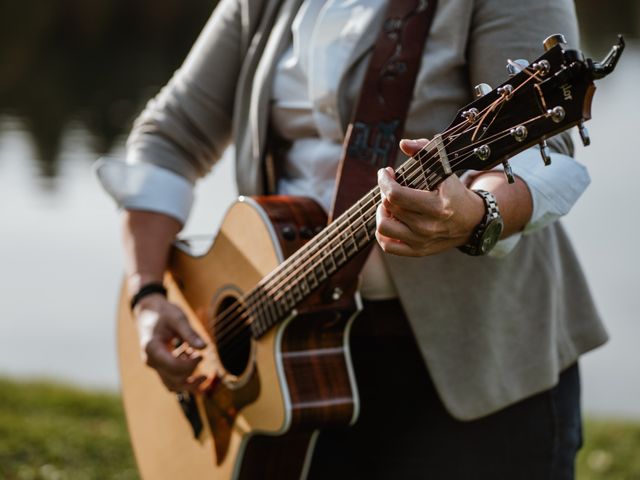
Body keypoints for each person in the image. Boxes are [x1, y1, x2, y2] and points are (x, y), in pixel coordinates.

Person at [96, 0, 608, 477]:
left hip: (477, 361)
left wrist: (479, 214)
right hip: (287, 359)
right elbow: (169, 136)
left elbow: (545, 153)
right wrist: (147, 291)